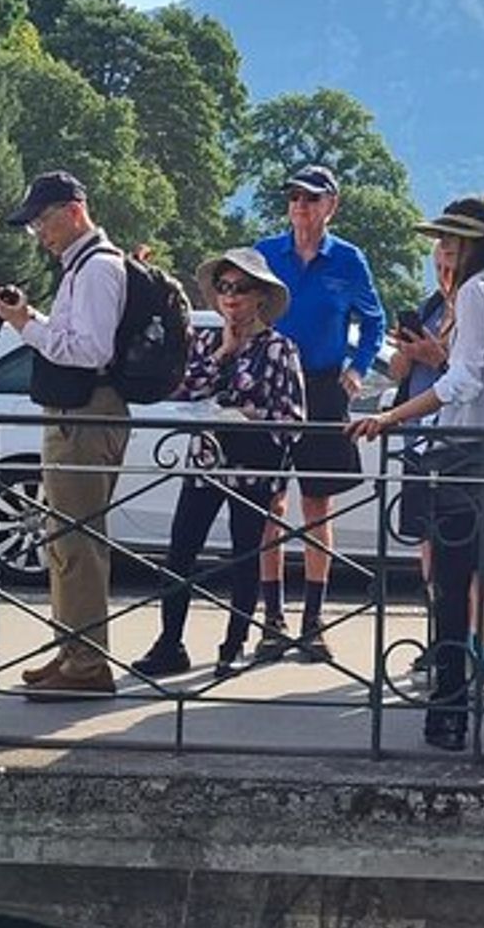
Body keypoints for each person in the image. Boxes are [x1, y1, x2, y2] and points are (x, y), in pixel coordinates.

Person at [348, 195, 484, 755]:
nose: (443, 250)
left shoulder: (475, 293)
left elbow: (462, 381)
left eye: (450, 241)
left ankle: (449, 711)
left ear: (470, 244)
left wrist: (390, 416)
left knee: (453, 589)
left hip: (466, 463)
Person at [0, 171, 131, 700]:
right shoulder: (86, 266)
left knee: (76, 539)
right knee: (65, 537)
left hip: (85, 413)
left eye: (43, 221)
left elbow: (89, 351)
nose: (39, 234)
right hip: (81, 412)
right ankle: (74, 653)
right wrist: (30, 320)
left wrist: (26, 323)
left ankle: (87, 663)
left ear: (74, 211)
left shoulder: (96, 269)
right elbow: (79, 340)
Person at [134, 249, 304, 677]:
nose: (231, 296)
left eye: (242, 288)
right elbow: (182, 391)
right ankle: (169, 642)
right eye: (224, 287)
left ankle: (233, 645)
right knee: (180, 551)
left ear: (261, 296)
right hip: (205, 460)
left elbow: (295, 420)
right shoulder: (208, 342)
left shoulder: (281, 349)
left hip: (252, 466)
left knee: (244, 556)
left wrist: (253, 418)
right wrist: (223, 353)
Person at [255, 164, 386, 664]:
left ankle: (313, 620)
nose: (301, 208)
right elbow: (239, 305)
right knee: (268, 505)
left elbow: (374, 321)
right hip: (271, 385)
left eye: (311, 199)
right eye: (294, 199)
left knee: (317, 505)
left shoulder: (349, 260)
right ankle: (271, 619)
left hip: (323, 386)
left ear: (331, 205)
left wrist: (356, 370)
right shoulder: (265, 253)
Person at [387, 242, 484, 681]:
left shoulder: (483, 303)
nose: (443, 274)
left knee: (482, 557)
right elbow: (400, 373)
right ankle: (443, 639)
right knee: (431, 550)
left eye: (450, 264)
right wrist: (407, 352)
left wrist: (437, 357)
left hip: (466, 445)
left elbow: (469, 376)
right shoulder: (433, 304)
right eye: (436, 265)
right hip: (423, 444)